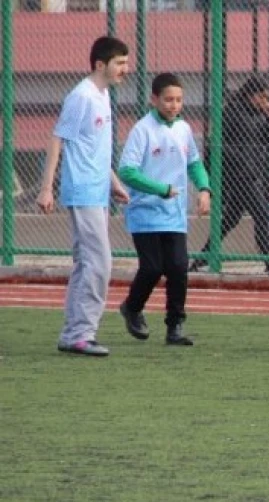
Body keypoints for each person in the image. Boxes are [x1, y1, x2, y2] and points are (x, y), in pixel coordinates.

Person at [36, 36, 131, 357]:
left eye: (126, 63)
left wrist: (113, 181)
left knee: (86, 263)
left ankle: (73, 333)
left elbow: (95, 149)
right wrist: (46, 187)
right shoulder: (82, 97)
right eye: (120, 63)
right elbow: (57, 139)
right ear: (100, 65)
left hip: (97, 190)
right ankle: (81, 333)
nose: (125, 70)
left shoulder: (102, 95)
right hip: (83, 191)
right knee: (99, 262)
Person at [117, 73, 211, 346]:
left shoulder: (183, 129)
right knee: (152, 268)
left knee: (179, 267)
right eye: (168, 99)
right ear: (154, 99)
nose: (174, 105)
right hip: (145, 213)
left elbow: (194, 163)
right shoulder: (142, 129)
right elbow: (127, 171)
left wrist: (204, 189)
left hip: (175, 215)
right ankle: (132, 307)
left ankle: (175, 327)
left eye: (179, 100)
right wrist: (162, 189)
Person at [191, 75, 269, 275]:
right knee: (263, 214)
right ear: (250, 95)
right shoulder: (232, 112)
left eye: (266, 97)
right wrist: (242, 159)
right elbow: (219, 144)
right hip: (239, 174)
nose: (263, 101)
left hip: (253, 173)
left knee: (230, 219)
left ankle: (202, 258)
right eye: (261, 96)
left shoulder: (260, 114)